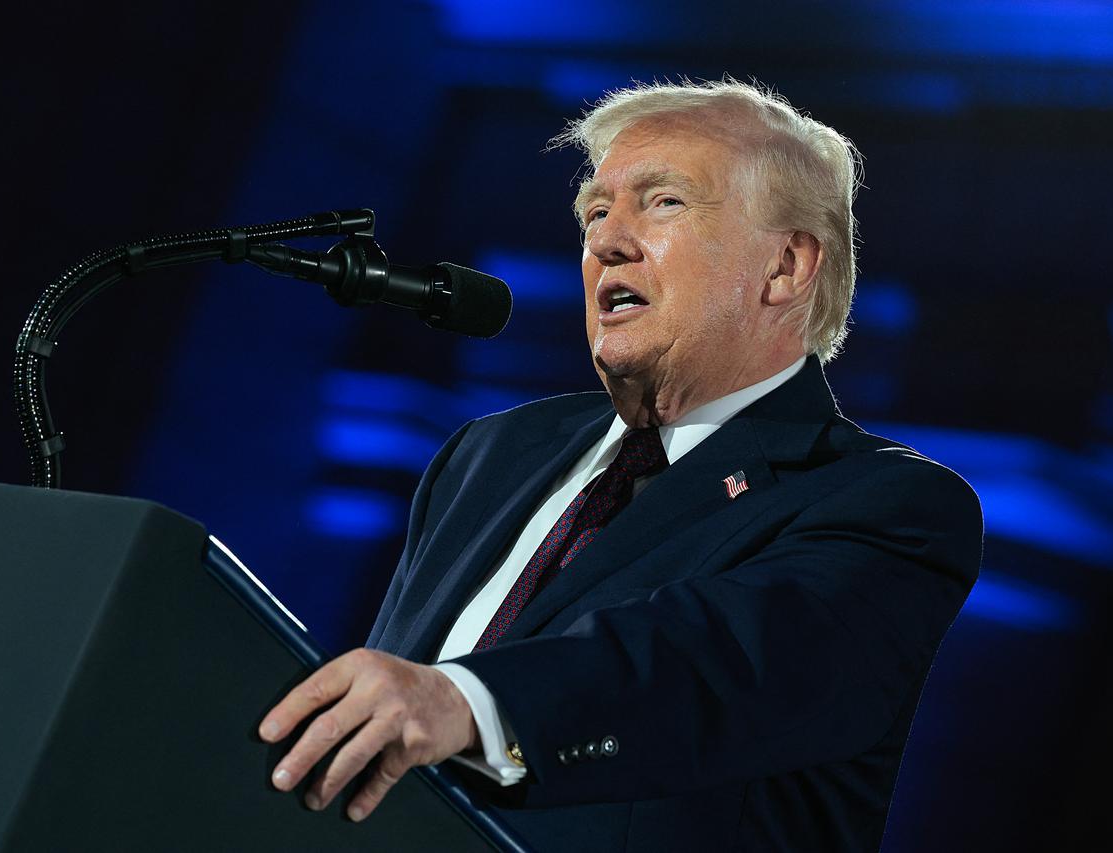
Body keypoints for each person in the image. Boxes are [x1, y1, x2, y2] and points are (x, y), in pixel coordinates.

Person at [257, 79, 983, 851]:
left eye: (664, 203)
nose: (607, 242)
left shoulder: (889, 505)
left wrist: (469, 704)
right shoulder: (487, 455)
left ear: (786, 265)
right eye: (595, 213)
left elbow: (707, 667)